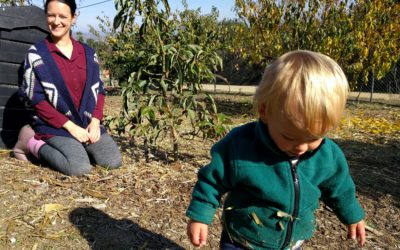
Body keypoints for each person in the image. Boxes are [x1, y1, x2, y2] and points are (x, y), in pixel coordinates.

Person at [186, 50, 366, 249]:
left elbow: (339, 188)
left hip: (291, 241)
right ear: (264, 111)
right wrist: (200, 216)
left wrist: (352, 215)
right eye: (290, 137)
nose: (301, 147)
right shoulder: (241, 146)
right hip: (243, 238)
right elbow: (212, 180)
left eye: (314, 138)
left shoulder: (327, 156)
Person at [12, 0, 122, 176]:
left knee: (112, 161)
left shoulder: (88, 54)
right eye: (51, 15)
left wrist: (95, 121)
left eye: (63, 16)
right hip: (54, 124)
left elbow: (99, 90)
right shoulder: (36, 55)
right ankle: (30, 141)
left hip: (85, 123)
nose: (56, 21)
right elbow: (37, 100)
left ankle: (77, 146)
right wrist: (70, 127)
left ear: (73, 18)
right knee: (79, 168)